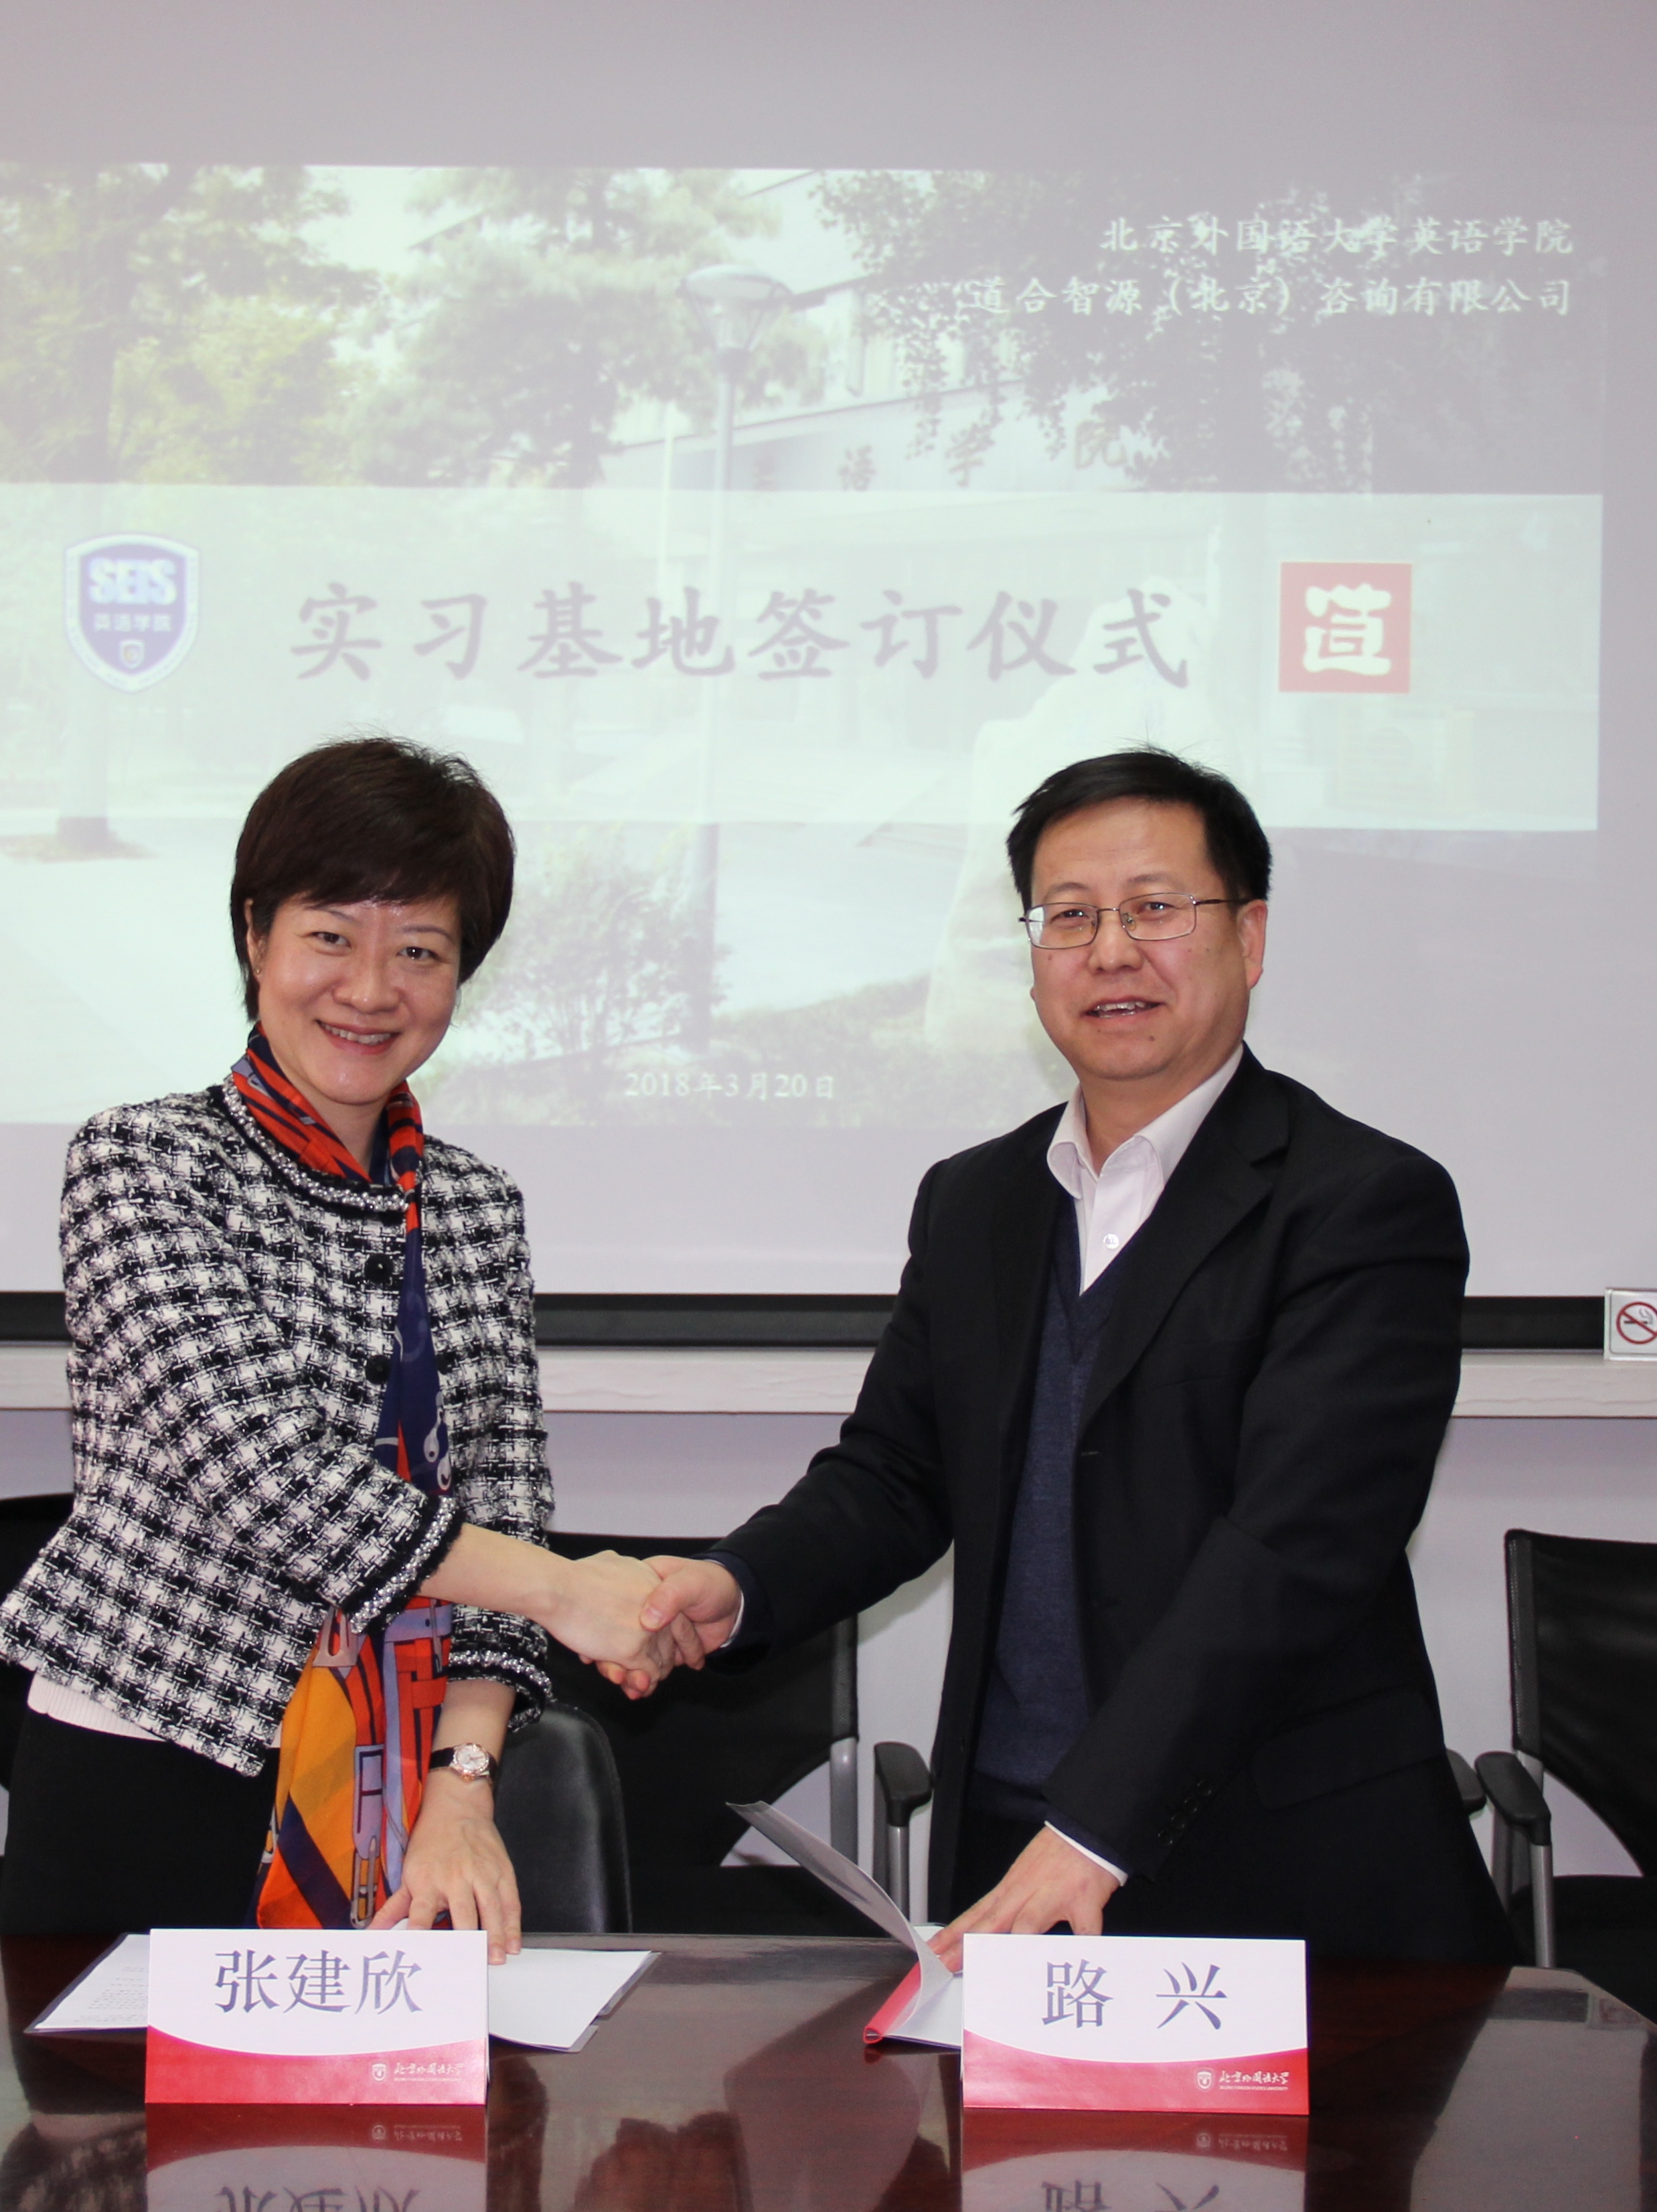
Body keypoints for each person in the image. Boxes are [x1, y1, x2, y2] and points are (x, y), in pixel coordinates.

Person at [633, 748, 1511, 1965]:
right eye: (1070, 916)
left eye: (1155, 908)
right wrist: (738, 1586)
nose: (1110, 951)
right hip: (1011, 1837)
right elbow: (894, 1477)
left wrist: (1096, 1826)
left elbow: (1298, 1546)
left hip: (1274, 1863)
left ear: (1249, 937)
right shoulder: (976, 1200)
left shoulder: (1361, 1202)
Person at [0, 735, 678, 1957]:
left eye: (419, 950)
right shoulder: (141, 1163)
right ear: (255, 936)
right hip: (154, 1752)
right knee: (109, 2088)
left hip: (412, 1777)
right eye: (330, 934)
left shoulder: (475, 1207)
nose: (369, 988)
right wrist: (572, 1592)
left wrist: (463, 1786)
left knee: (408, 2087)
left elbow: (504, 1505)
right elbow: (266, 1479)